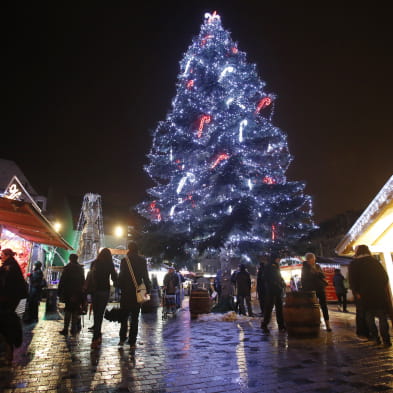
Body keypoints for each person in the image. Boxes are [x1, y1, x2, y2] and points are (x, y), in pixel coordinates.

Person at [348, 245, 391, 346]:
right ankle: (386, 340)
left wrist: (356, 292)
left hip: (364, 295)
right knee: (382, 317)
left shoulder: (354, 264)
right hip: (378, 293)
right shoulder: (375, 262)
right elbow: (384, 277)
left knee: (369, 317)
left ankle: (376, 339)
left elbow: (352, 281)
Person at [118, 242, 151, 348]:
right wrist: (148, 290)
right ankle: (132, 341)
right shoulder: (142, 260)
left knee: (124, 316)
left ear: (129, 249)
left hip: (126, 292)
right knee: (135, 317)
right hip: (137, 292)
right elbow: (145, 277)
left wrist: (120, 286)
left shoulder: (124, 261)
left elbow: (121, 276)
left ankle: (122, 338)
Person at [0, 248, 28, 363]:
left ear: (6, 255)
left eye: (2, 254)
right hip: (15, 300)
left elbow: (5, 284)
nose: (1, 256)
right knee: (10, 323)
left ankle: (8, 353)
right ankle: (8, 352)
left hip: (8, 301)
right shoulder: (13, 265)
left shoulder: (8, 267)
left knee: (6, 325)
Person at [88, 248, 118, 349]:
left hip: (94, 291)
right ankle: (96, 336)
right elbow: (114, 278)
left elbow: (90, 276)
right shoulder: (109, 264)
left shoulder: (95, 263)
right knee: (100, 313)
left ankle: (97, 335)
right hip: (104, 290)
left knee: (96, 313)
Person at [301, 252, 331, 332]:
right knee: (312, 307)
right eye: (312, 259)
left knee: (324, 305)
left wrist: (317, 273)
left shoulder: (317, 266)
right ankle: (313, 323)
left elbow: (322, 275)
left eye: (314, 259)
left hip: (320, 288)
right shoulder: (305, 268)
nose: (314, 260)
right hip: (311, 290)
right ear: (308, 260)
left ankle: (327, 324)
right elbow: (304, 279)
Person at [58, 254, 85, 336]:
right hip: (77, 293)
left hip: (68, 292)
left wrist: (60, 292)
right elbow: (83, 281)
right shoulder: (80, 269)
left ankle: (66, 328)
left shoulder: (67, 268)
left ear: (70, 259)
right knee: (75, 311)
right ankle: (73, 328)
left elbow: (62, 281)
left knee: (68, 310)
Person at [261, 254, 286, 333]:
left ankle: (281, 325)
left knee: (279, 308)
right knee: (269, 308)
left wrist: (282, 282)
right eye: (278, 258)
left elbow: (278, 276)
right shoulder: (269, 266)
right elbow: (265, 277)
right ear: (275, 258)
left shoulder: (276, 266)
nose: (279, 260)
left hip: (277, 290)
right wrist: (273, 283)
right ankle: (265, 324)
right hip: (271, 290)